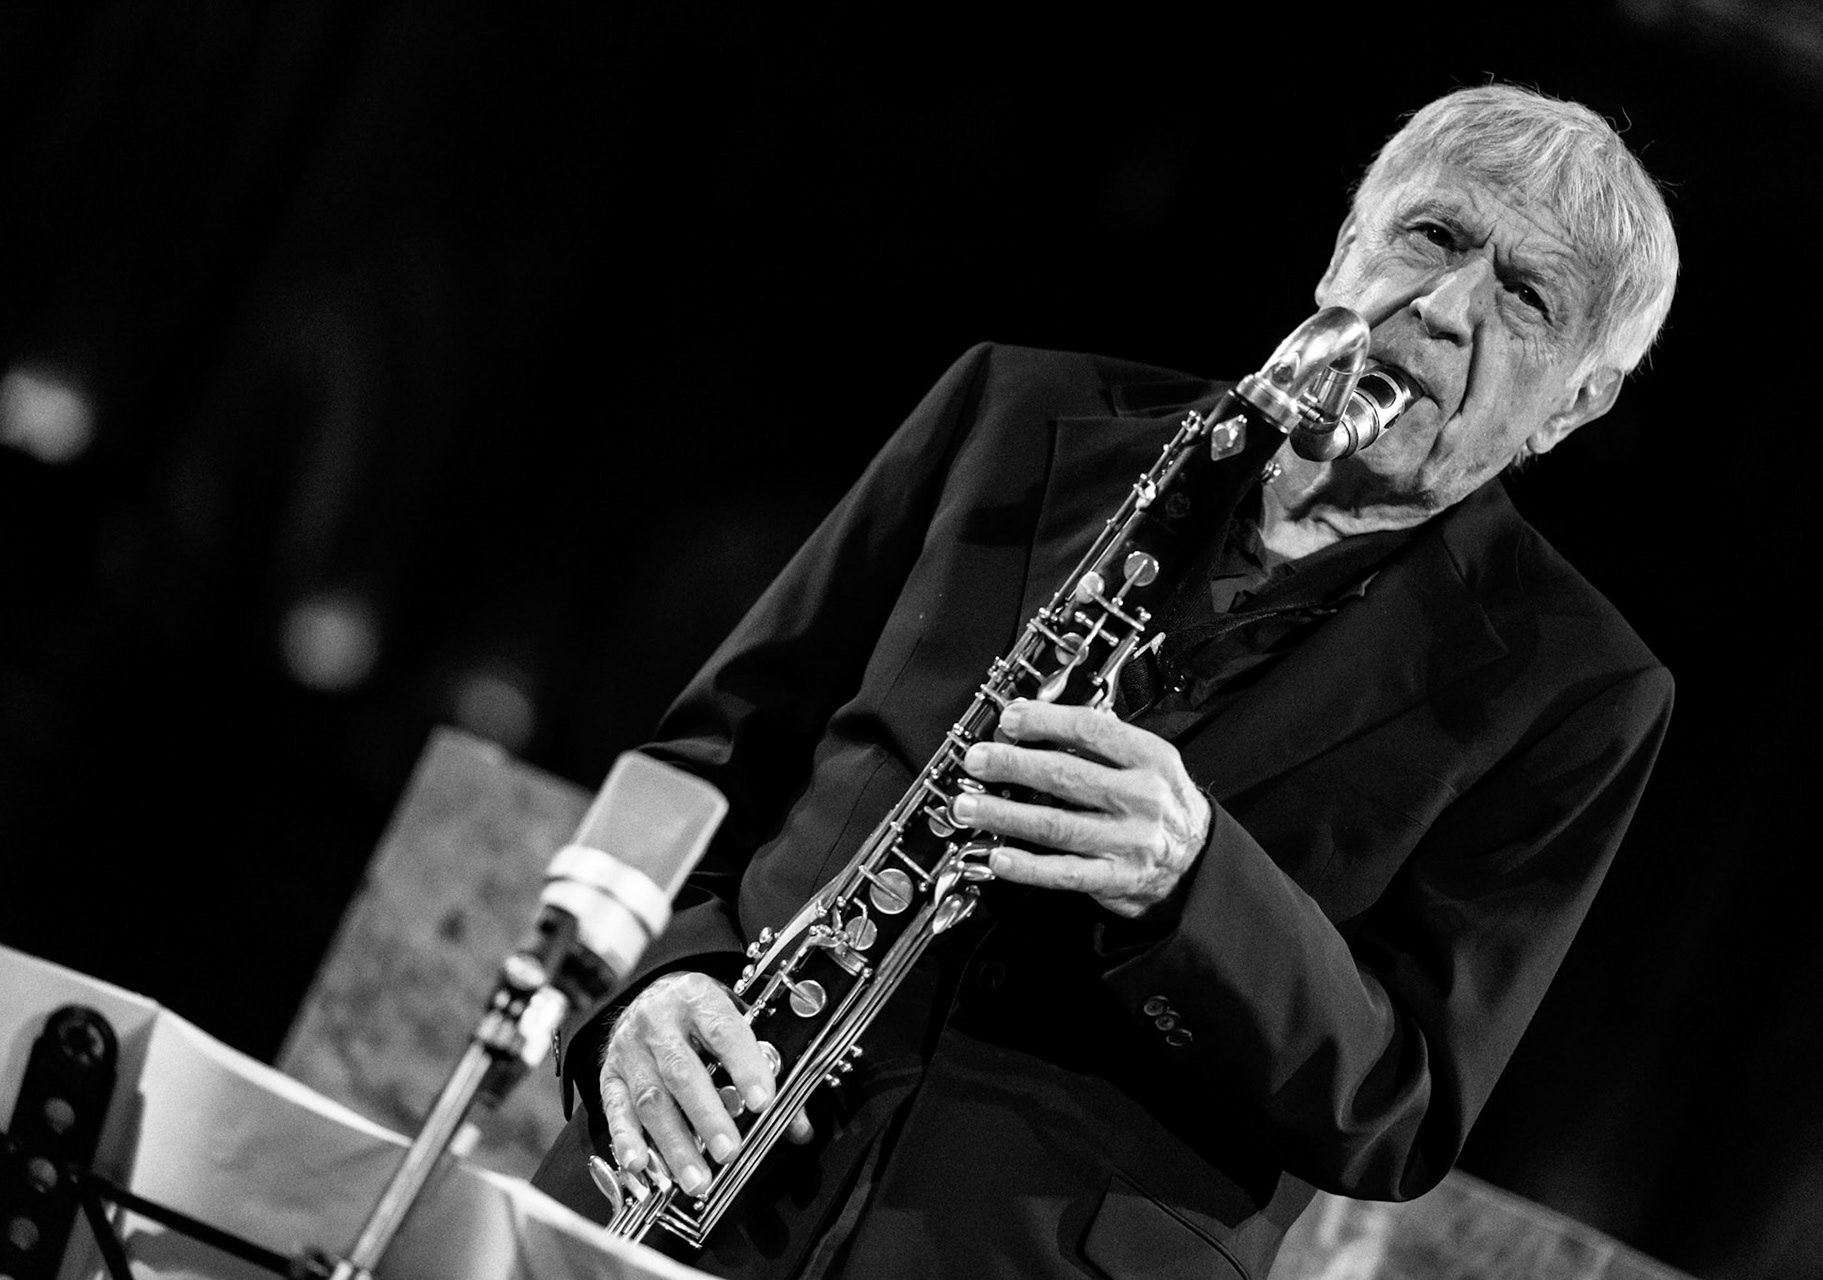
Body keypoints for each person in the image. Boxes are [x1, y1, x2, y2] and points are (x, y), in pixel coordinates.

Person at [532, 84, 1679, 1280]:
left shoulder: (1577, 688)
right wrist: (649, 985)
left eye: (1526, 297)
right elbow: (707, 757)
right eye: (1433, 235)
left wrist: (1196, 881)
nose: (1443, 308)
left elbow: (1403, 1107)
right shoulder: (1012, 412)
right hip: (675, 1175)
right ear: (1347, 245)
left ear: (1575, 403)